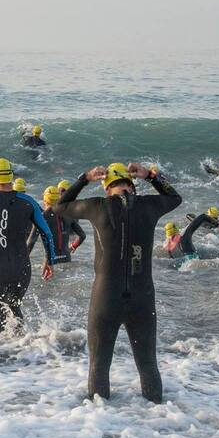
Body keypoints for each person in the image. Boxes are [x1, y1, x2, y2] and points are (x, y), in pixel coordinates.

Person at [53, 162, 181, 403]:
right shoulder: (149, 206)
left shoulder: (98, 207)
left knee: (99, 366)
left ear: (106, 187)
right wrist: (151, 176)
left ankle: (99, 425)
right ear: (131, 186)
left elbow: (59, 207)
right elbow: (175, 197)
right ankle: (161, 423)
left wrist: (84, 178)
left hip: (106, 298)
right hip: (142, 298)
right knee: (147, 365)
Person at [0, 158, 56, 338]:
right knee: (15, 308)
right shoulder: (29, 201)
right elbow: (47, 234)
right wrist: (49, 261)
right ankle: (23, 351)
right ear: (11, 177)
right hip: (21, 268)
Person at [27, 186, 86, 264]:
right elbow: (82, 235)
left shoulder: (41, 218)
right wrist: (72, 247)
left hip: (50, 262)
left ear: (45, 200)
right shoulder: (68, 214)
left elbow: (31, 242)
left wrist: (22, 261)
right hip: (66, 259)